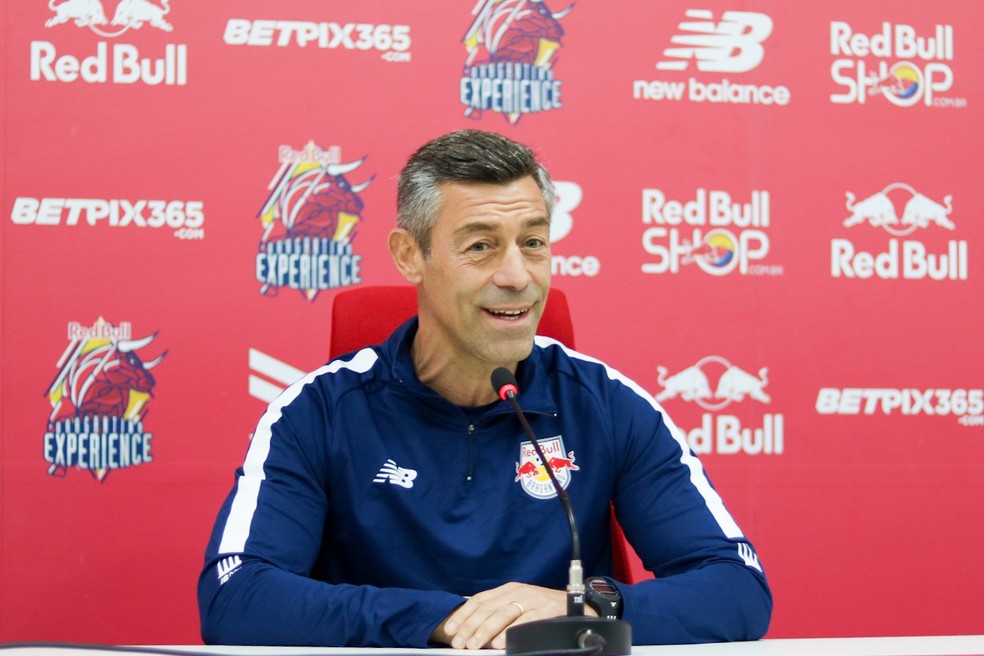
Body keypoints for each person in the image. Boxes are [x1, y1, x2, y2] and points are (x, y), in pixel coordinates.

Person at [197, 129, 772, 648]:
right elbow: (237, 597)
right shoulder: (315, 411)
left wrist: (586, 605)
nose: (517, 276)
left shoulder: (607, 402)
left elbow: (737, 588)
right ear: (410, 255)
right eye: (480, 246)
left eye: (534, 242)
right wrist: (444, 620)